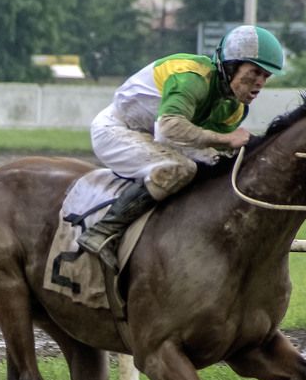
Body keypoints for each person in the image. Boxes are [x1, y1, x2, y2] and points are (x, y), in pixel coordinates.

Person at [77, 24, 285, 270]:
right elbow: (168, 129)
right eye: (255, 72)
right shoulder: (192, 77)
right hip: (118, 130)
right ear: (231, 65)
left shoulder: (235, 108)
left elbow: (203, 145)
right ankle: (103, 232)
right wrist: (227, 140)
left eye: (266, 76)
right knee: (181, 169)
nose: (260, 83)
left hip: (159, 138)